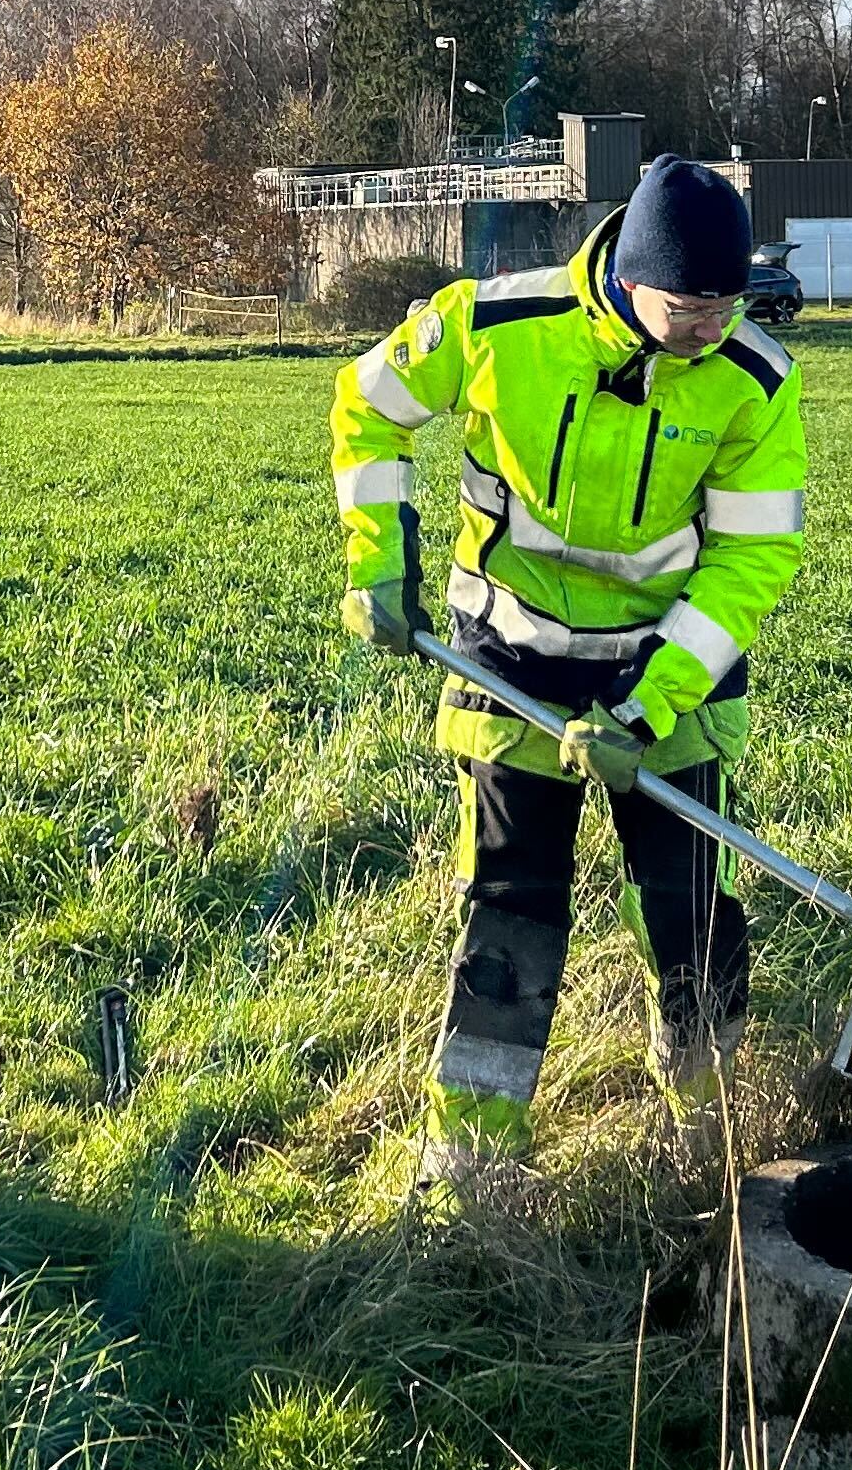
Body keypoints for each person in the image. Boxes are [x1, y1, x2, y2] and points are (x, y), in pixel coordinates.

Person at [327, 156, 810, 1186]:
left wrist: (646, 710)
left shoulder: (754, 382)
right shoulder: (496, 325)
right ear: (631, 281)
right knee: (513, 914)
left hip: (669, 677)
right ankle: (470, 1173)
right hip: (513, 662)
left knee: (693, 919)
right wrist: (377, 561)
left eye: (729, 305)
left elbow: (752, 559)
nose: (710, 327)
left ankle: (711, 1150)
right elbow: (366, 406)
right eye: (689, 306)